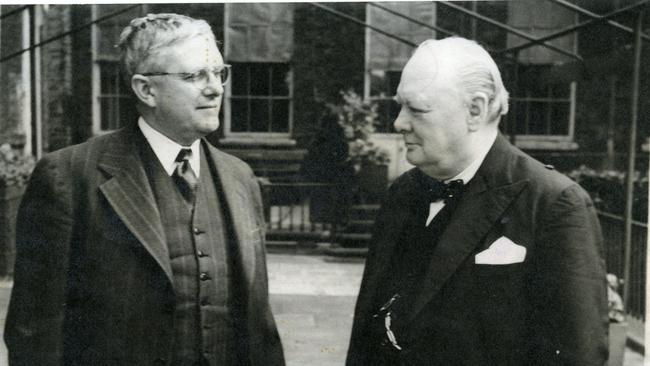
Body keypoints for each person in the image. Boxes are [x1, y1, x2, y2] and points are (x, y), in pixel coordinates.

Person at [5, 13, 284, 366]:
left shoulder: (239, 177)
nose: (215, 88)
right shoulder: (69, 177)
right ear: (146, 89)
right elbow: (35, 333)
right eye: (194, 75)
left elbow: (260, 328)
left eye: (218, 73)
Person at [346, 37, 608, 366]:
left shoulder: (553, 204)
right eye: (400, 105)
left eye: (416, 108)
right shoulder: (401, 193)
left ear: (475, 110)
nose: (399, 122)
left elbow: (576, 356)